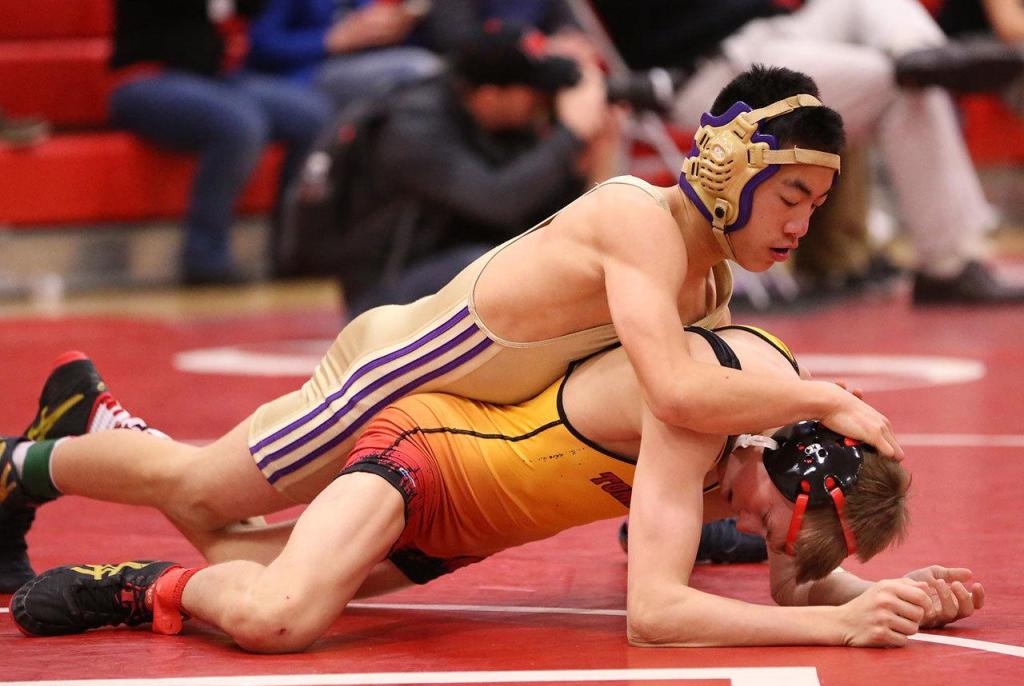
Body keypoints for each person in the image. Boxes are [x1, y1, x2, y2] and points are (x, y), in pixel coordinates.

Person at [0, 65, 903, 593]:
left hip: (444, 421)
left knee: (261, 559)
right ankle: (25, 461)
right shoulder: (642, 221)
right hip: (390, 377)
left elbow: (683, 445)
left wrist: (810, 554)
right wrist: (826, 393)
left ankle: (87, 431)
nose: (799, 227)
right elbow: (673, 391)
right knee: (203, 495)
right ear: (729, 166)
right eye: (792, 197)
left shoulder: (705, 286)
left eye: (816, 208)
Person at [9, 325, 981, 652]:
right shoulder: (696, 411)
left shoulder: (767, 462)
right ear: (781, 455)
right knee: (276, 611)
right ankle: (127, 578)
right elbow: (654, 610)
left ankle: (98, 424)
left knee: (233, 547)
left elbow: (786, 585)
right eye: (777, 523)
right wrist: (831, 625)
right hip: (429, 455)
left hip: (460, 529)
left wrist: (892, 602)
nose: (769, 542)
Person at [593, 0, 1024, 305]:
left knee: (887, 29)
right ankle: (948, 263)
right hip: (710, 68)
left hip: (773, 32)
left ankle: (922, 52)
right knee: (900, 86)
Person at [318, 21, 618, 313]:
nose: (543, 100)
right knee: (493, 265)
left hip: (454, 266)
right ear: (489, 97)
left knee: (541, 256)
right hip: (384, 296)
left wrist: (588, 162)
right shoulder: (414, 128)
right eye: (533, 91)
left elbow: (540, 220)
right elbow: (499, 202)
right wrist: (568, 136)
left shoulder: (501, 123)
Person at [108, 0, 333, 284]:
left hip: (213, 80)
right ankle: (205, 256)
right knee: (239, 124)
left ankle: (294, 248)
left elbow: (252, 10)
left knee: (311, 114)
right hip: (146, 78)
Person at [245, 0, 444, 112]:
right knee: (420, 69)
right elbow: (259, 46)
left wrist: (398, 26)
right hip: (301, 73)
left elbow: (364, 26)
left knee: (435, 75)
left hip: (352, 65)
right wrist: (328, 40)